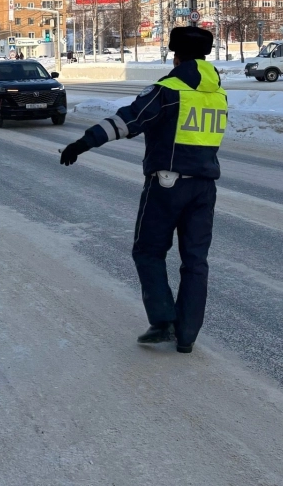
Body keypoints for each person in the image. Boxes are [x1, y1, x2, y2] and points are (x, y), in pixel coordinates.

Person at [59, 26, 226, 354]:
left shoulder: (167, 89)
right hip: (205, 189)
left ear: (176, 57)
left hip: (167, 185)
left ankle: (163, 320)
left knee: (148, 251)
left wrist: (83, 143)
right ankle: (187, 335)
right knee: (195, 262)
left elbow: (128, 121)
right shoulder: (217, 93)